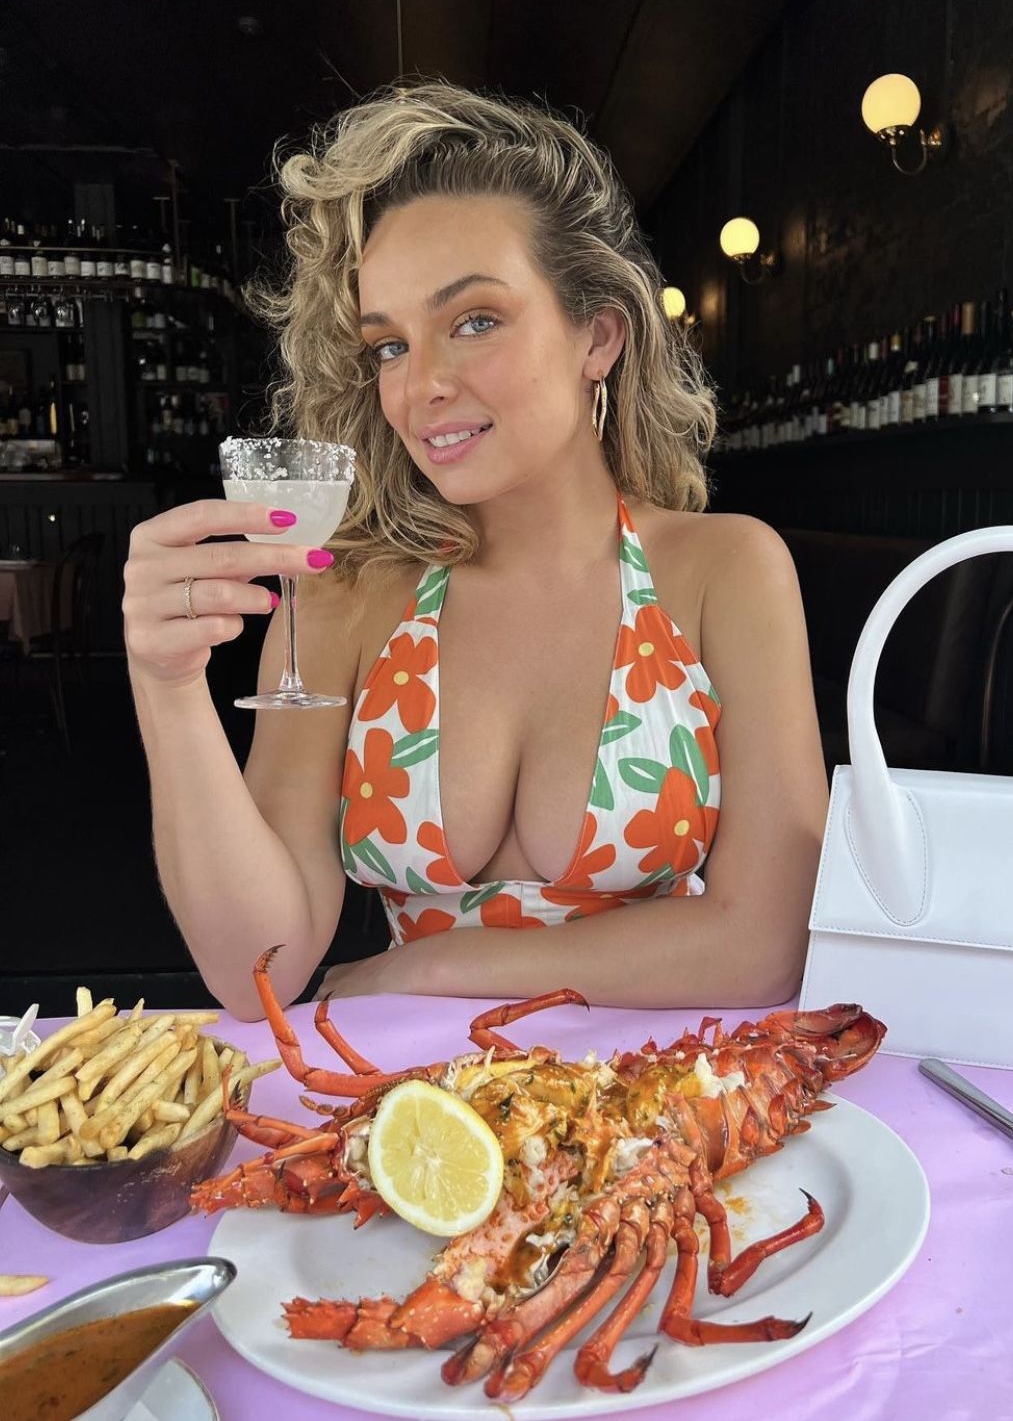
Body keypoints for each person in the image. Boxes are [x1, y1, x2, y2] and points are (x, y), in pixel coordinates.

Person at [122, 77, 827, 1022]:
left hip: (654, 1091)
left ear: (597, 337)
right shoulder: (345, 591)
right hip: (414, 1099)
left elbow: (764, 945)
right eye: (390, 346)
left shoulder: (723, 570)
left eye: (475, 321)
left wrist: (433, 967)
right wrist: (167, 688)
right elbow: (260, 969)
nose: (422, 385)